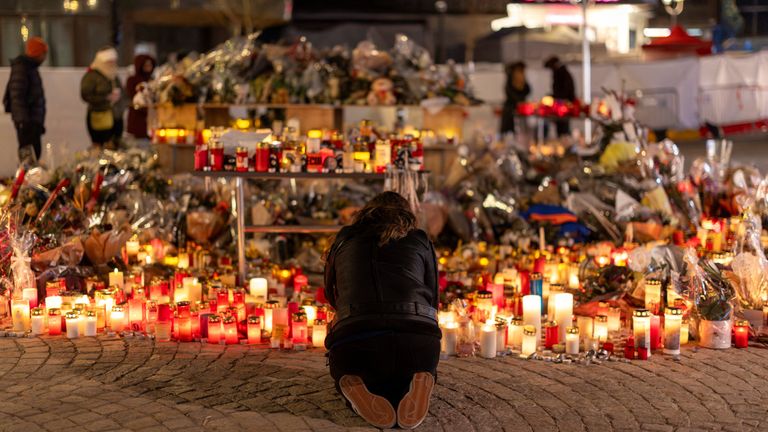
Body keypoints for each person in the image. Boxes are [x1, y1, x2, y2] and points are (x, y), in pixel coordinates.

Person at [324, 191, 440, 429]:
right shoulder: (419, 239)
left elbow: (330, 293)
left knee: (349, 369)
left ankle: (357, 385)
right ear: (408, 215)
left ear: (366, 212)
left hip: (356, 341)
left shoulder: (345, 237)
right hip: (418, 342)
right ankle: (419, 376)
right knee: (411, 366)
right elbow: (433, 297)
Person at [4, 37, 47, 163]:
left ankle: (31, 180)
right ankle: (27, 181)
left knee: (34, 155)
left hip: (32, 121)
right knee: (28, 157)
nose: (45, 57)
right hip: (27, 122)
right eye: (44, 53)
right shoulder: (22, 68)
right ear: (38, 53)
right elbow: (17, 96)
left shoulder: (29, 68)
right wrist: (23, 122)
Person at [80, 46, 125, 149]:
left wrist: (119, 99)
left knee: (115, 146)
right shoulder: (91, 76)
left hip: (116, 116)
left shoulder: (114, 75)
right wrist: (106, 97)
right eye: (109, 62)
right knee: (100, 146)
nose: (112, 64)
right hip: (99, 116)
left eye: (114, 61)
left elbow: (122, 92)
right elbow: (85, 95)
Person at [544, 56, 576, 137]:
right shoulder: (563, 72)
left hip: (562, 106)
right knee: (562, 129)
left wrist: (554, 98)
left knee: (563, 130)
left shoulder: (560, 73)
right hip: (563, 105)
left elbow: (563, 92)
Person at [125, 54, 155, 139]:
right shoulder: (132, 80)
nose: (149, 67)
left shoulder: (152, 79)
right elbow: (134, 98)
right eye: (146, 65)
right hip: (138, 118)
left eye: (150, 65)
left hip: (151, 117)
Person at [500, 61, 530, 135]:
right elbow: (511, 94)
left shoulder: (523, 81)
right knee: (509, 132)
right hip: (510, 110)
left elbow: (528, 90)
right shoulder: (510, 81)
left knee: (521, 132)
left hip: (521, 111)